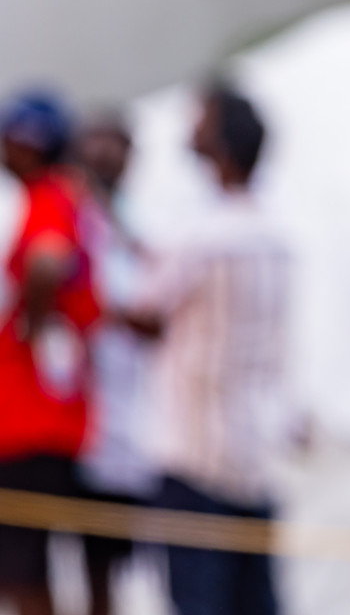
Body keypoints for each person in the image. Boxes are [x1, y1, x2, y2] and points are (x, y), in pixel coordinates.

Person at [124, 85, 292, 615]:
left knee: (200, 600)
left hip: (195, 453)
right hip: (254, 450)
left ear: (218, 142)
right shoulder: (274, 233)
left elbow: (146, 310)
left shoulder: (204, 233)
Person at [0, 91, 100, 615]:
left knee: (23, 569)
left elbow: (46, 261)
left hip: (32, 419)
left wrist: (30, 327)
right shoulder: (67, 194)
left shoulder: (49, 196)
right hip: (48, 414)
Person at [73, 113, 157, 615]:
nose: (103, 156)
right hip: (84, 421)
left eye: (115, 145)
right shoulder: (68, 221)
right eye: (94, 144)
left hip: (142, 421)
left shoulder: (144, 221)